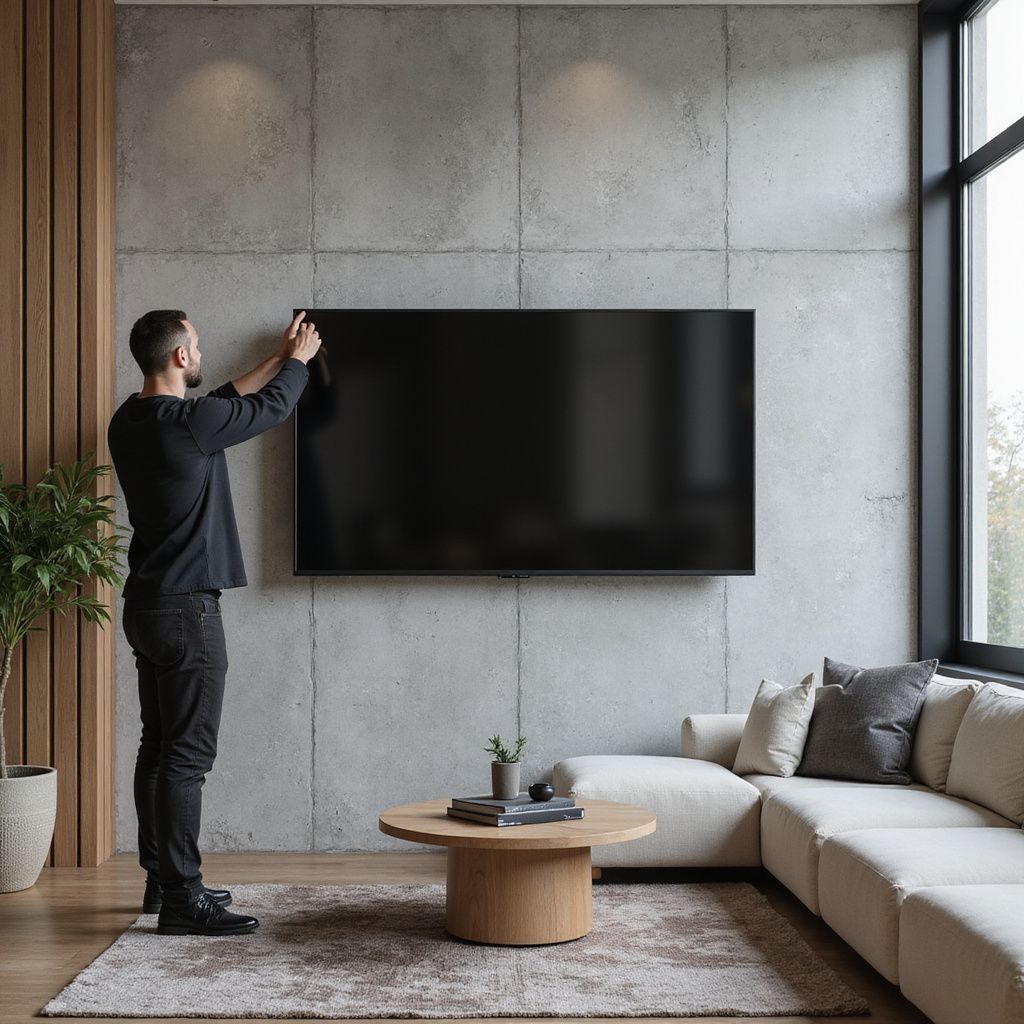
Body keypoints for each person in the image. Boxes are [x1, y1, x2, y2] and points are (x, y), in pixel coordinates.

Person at [108, 309, 321, 936]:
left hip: (147, 606)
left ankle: (162, 881)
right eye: (196, 345)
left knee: (159, 747)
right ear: (180, 357)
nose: (201, 354)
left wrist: (276, 357)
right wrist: (298, 364)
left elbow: (224, 401)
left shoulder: (130, 420)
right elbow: (269, 408)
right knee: (186, 758)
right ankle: (184, 899)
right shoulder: (191, 424)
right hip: (188, 611)